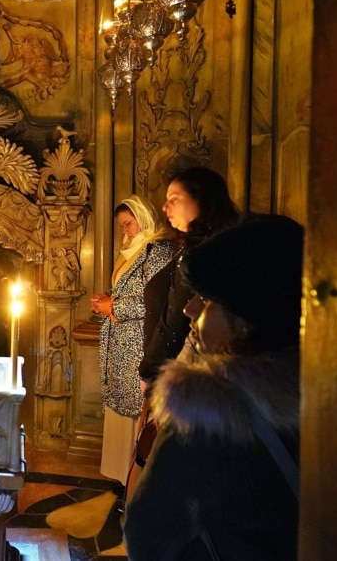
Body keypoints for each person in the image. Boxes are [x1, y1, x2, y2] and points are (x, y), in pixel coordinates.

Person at [123, 214, 303, 561]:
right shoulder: (329, 396)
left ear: (246, 320)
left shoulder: (205, 419)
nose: (191, 309)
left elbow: (146, 535)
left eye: (207, 300)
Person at [89, 197, 176, 485]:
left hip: (138, 344)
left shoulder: (158, 251)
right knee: (121, 407)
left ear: (143, 217)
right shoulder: (128, 252)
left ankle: (136, 481)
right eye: (122, 226)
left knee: (135, 412)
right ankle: (122, 480)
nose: (125, 231)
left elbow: (155, 302)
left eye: (129, 223)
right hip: (121, 345)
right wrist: (107, 298)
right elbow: (127, 291)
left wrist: (113, 307)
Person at [139, 166, 240, 389]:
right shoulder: (198, 247)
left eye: (174, 199)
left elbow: (176, 320)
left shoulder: (200, 254)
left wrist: (149, 371)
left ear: (201, 199)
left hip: (186, 375)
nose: (165, 207)